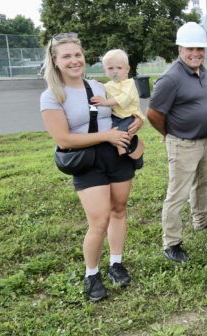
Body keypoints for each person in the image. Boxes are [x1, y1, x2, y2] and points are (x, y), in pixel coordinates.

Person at [40, 33, 140, 302]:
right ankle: (91, 274)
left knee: (119, 210)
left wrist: (135, 122)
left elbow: (125, 109)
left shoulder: (98, 86)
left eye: (78, 55)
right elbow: (64, 139)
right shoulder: (52, 96)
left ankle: (116, 263)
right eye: (67, 56)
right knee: (99, 220)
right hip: (86, 160)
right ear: (55, 61)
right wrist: (106, 136)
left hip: (116, 155)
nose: (74, 61)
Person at [147, 22, 207, 264]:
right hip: (183, 143)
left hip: (205, 140)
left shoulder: (203, 71)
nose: (195, 53)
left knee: (201, 182)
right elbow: (153, 113)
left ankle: (201, 219)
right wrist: (168, 133)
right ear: (180, 49)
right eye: (190, 48)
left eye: (200, 48)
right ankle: (171, 242)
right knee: (177, 194)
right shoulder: (170, 78)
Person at [90, 49, 145, 167]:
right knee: (113, 132)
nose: (115, 72)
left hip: (129, 116)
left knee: (123, 134)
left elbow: (124, 98)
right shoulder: (108, 85)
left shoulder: (129, 83)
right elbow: (100, 88)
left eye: (119, 68)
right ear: (105, 71)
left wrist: (105, 102)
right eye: (110, 68)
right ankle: (129, 150)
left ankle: (130, 154)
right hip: (116, 116)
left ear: (127, 69)